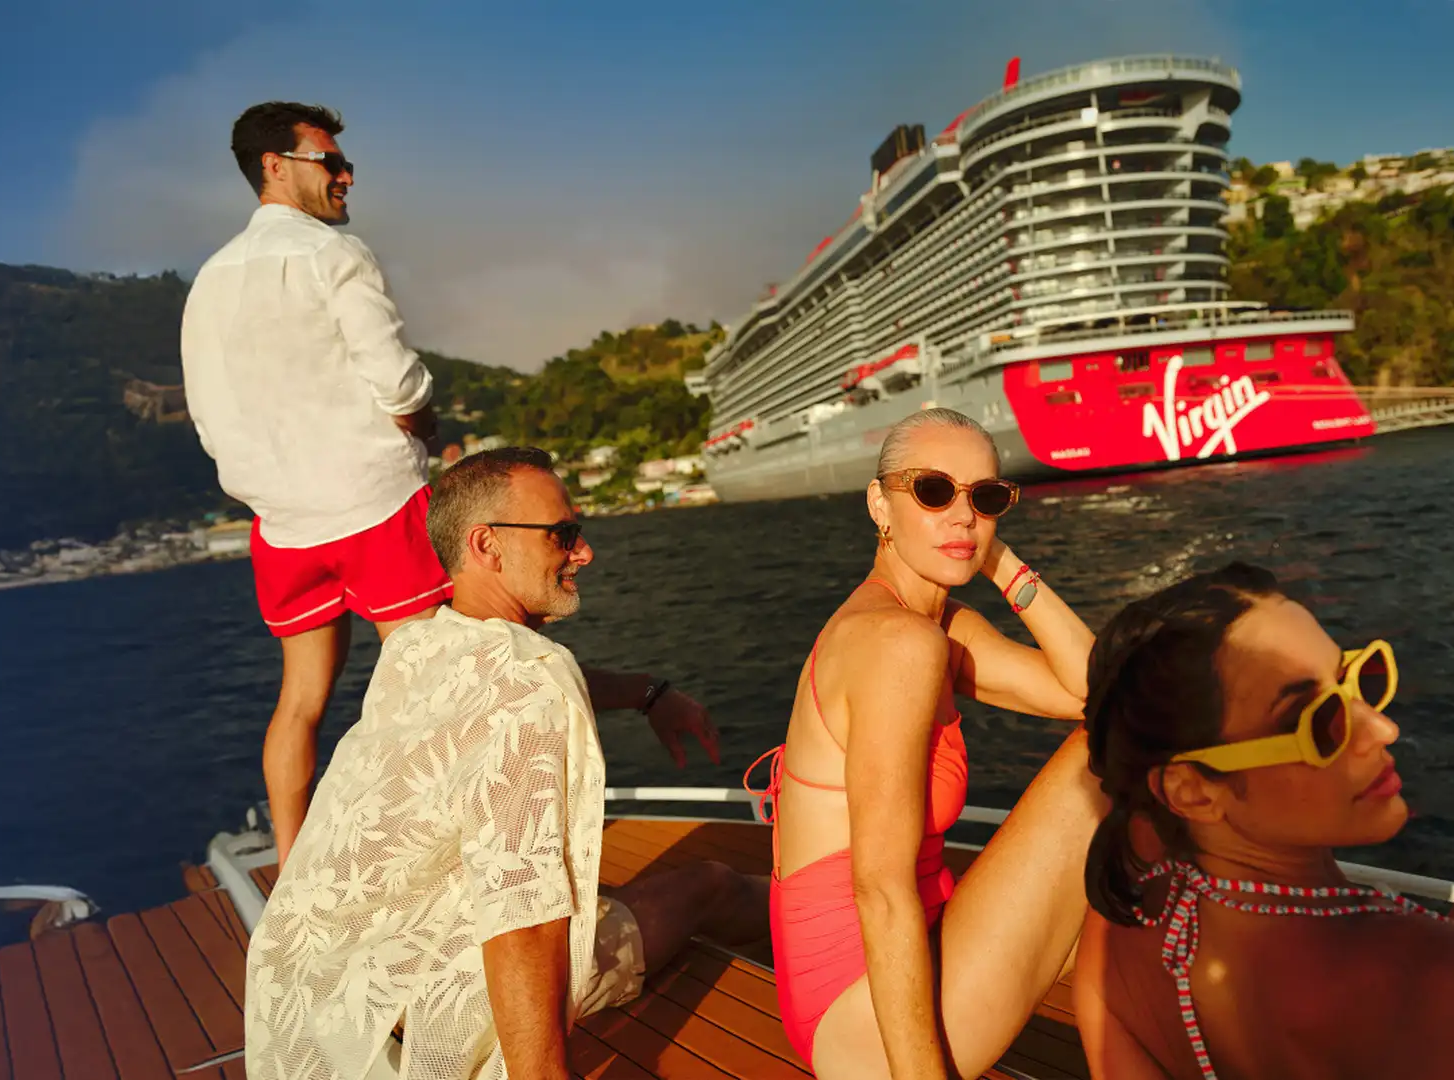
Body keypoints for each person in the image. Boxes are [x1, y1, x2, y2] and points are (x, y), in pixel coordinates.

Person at [181, 103, 716, 862]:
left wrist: (267, 489)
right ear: (275, 165)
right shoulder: (334, 255)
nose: (346, 174)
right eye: (328, 161)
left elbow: (209, 418)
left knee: (298, 705)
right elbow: (398, 384)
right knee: (451, 680)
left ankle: (295, 867)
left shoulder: (208, 283)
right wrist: (424, 425)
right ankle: (465, 848)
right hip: (372, 505)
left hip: (282, 525)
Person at [243, 447, 769, 1080]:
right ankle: (837, 920)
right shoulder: (530, 685)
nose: (584, 553)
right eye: (563, 535)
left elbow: (523, 678)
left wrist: (644, 692)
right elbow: (522, 922)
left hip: (313, 1006)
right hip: (421, 1024)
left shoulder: (417, 641)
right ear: (487, 546)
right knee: (709, 886)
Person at [1073, 563, 1454, 1079]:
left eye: (1354, 679)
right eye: (1316, 723)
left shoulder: (1128, 917)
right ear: (1192, 791)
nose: (1382, 728)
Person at [744, 407, 1107, 1079]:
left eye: (987, 498)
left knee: (1121, 731)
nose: (963, 514)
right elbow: (879, 890)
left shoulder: (936, 624)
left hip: (896, 959)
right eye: (935, 491)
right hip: (860, 1016)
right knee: (1118, 754)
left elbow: (1093, 691)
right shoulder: (898, 642)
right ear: (880, 503)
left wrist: (999, 563)